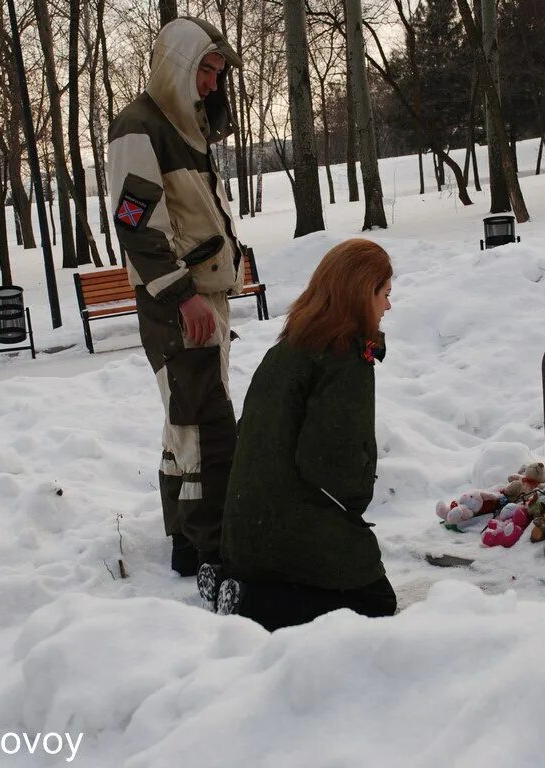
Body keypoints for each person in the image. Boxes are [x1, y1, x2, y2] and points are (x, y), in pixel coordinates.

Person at [106, 17, 245, 578]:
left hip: (200, 298)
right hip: (177, 303)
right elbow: (138, 226)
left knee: (184, 423)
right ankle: (215, 552)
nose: (213, 84)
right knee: (207, 428)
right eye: (205, 71)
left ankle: (187, 547)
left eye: (218, 74)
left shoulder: (189, 130)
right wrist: (183, 297)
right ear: (179, 68)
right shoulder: (139, 127)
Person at [200, 239, 398, 631]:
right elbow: (330, 467)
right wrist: (356, 503)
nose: (389, 307)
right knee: (376, 601)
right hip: (284, 530)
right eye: (385, 294)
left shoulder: (290, 347)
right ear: (362, 294)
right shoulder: (345, 359)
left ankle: (232, 583)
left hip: (242, 533)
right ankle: (252, 604)